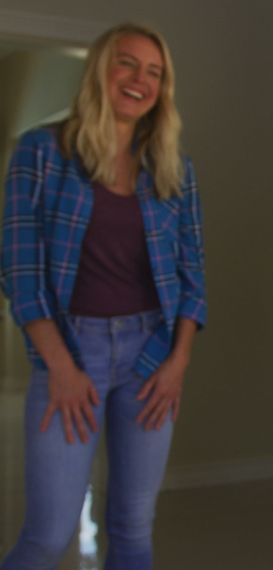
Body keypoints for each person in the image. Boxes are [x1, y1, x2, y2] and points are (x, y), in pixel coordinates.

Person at [0, 22, 205, 569]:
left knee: (133, 528)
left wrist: (178, 362)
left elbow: (193, 278)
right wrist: (61, 365)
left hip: (151, 357)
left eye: (155, 72)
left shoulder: (174, 168)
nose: (141, 80)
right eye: (127, 63)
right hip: (71, 354)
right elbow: (20, 273)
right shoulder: (41, 152)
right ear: (100, 70)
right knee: (48, 534)